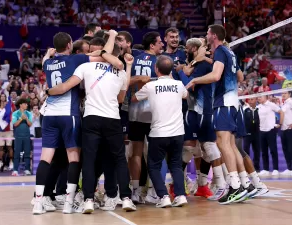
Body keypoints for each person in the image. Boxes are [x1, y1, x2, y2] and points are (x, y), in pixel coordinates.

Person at [32, 30, 123, 215]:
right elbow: (102, 56)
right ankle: (68, 202)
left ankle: (38, 202)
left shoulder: (48, 63)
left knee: (45, 158)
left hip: (49, 114)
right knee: (73, 158)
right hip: (69, 114)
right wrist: (108, 41)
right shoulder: (75, 59)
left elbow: (45, 63)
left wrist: (47, 55)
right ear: (69, 46)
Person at [47, 45, 136, 213]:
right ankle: (125, 198)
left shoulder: (85, 66)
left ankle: (88, 199)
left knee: (89, 160)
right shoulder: (121, 72)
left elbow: (66, 86)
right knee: (119, 160)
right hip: (112, 118)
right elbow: (121, 99)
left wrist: (48, 90)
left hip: (91, 117)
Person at [186, 24, 247, 204]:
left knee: (222, 143)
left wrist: (195, 79)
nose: (206, 35)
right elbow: (240, 77)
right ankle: (241, 184)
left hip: (224, 101)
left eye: (207, 33)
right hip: (233, 100)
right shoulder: (229, 52)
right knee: (229, 144)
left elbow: (215, 76)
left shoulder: (220, 50)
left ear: (213, 36)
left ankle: (235, 186)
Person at [131, 55, 188, 208]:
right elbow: (185, 95)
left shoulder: (150, 86)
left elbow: (134, 99)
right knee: (175, 165)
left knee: (154, 166)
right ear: (170, 70)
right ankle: (180, 195)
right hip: (178, 133)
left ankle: (163, 196)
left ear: (156, 69)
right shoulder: (178, 84)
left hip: (159, 133)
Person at [128, 31, 164, 204]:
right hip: (154, 113)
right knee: (155, 154)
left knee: (135, 153)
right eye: (159, 42)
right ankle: (153, 191)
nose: (162, 44)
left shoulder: (134, 58)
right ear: (152, 45)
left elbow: (126, 81)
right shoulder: (161, 61)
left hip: (135, 111)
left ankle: (135, 191)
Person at [257, 95, 284, 177]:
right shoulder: (259, 107)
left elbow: (281, 112)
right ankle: (266, 169)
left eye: (260, 97)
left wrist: (280, 123)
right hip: (262, 131)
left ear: (265, 97)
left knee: (273, 150)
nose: (259, 98)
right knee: (264, 151)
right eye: (258, 97)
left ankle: (275, 169)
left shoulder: (271, 104)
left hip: (271, 130)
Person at [11, 98, 32, 176]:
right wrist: (20, 118)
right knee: (17, 153)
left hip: (26, 135)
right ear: (21, 105)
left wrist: (26, 118)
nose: (26, 105)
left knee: (27, 153)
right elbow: (15, 124)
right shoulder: (15, 113)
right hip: (18, 136)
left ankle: (27, 169)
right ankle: (15, 170)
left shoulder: (29, 113)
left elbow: (30, 124)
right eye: (25, 104)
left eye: (27, 104)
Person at [280, 91, 292, 176]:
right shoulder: (283, 104)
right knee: (285, 149)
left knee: (291, 149)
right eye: (282, 93)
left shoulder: (291, 102)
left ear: (289, 94)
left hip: (290, 129)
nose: (283, 94)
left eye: (285, 93)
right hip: (283, 129)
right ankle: (289, 168)